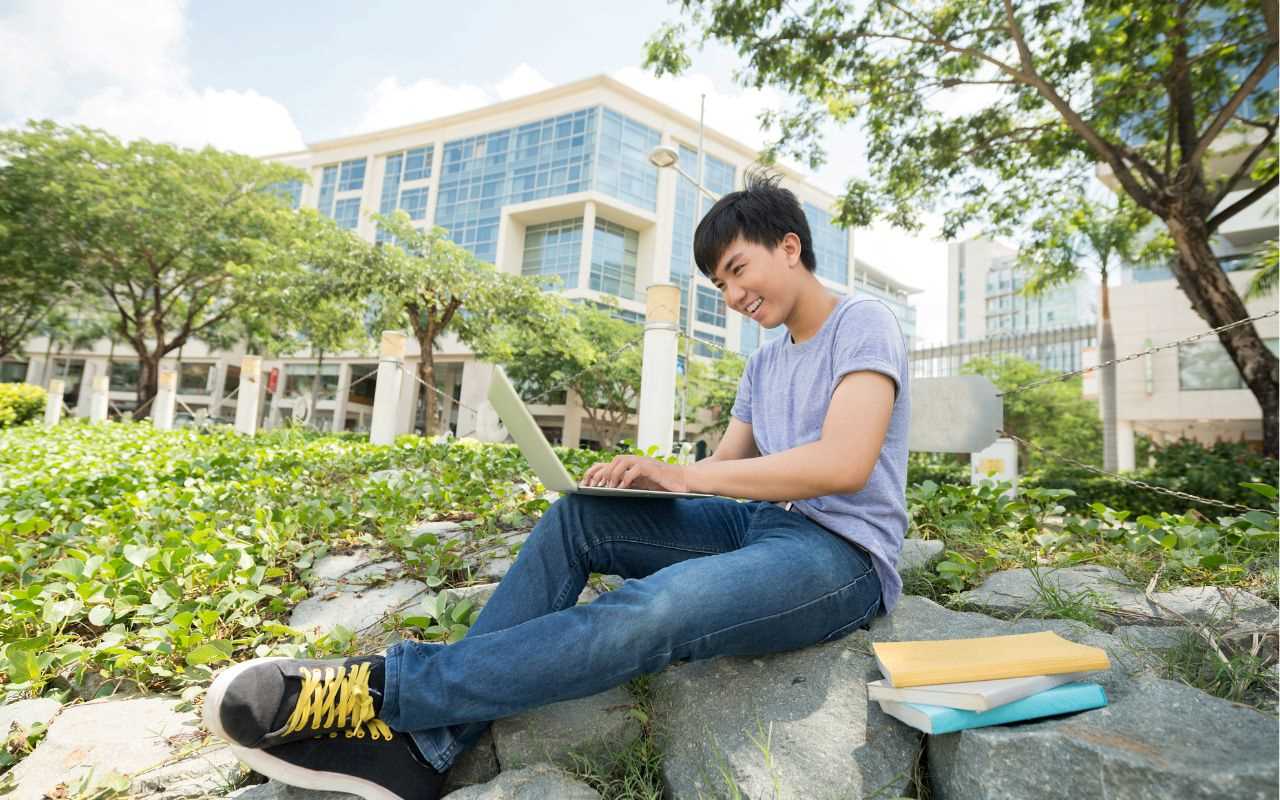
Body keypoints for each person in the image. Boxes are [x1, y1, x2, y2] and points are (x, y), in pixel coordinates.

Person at [202, 169, 911, 800]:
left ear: (789, 246)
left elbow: (844, 463)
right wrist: (645, 483)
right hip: (761, 530)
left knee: (658, 608)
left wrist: (684, 472)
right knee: (583, 517)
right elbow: (726, 472)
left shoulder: (863, 322)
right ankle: (426, 752)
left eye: (735, 270)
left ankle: (381, 691)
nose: (731, 295)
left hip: (838, 557)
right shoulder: (765, 363)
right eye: (719, 285)